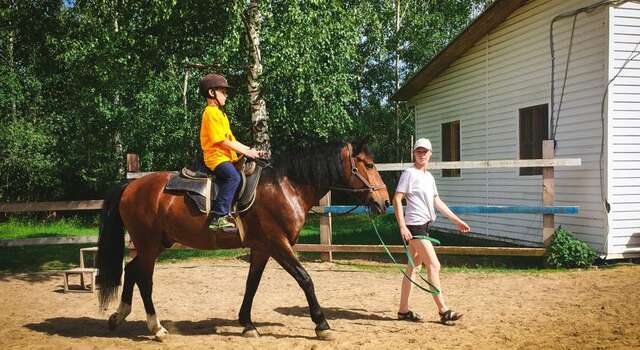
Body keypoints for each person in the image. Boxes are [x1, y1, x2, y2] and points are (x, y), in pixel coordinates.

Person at [393, 138, 470, 324]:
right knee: (434, 266)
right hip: (415, 227)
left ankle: (403, 311)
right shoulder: (409, 174)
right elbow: (396, 199)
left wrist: (456, 220)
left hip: (425, 226)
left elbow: (437, 201)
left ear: (430, 154)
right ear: (414, 153)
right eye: (418, 151)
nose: (422, 154)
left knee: (413, 268)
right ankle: (443, 311)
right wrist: (402, 226)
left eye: (425, 151)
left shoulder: (429, 177)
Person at [198, 73, 262, 230]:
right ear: (212, 93)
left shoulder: (221, 114)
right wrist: (247, 153)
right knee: (233, 177)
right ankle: (218, 217)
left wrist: (251, 151)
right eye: (223, 91)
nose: (226, 95)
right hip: (216, 158)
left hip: (225, 156)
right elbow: (222, 141)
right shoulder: (210, 112)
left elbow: (231, 140)